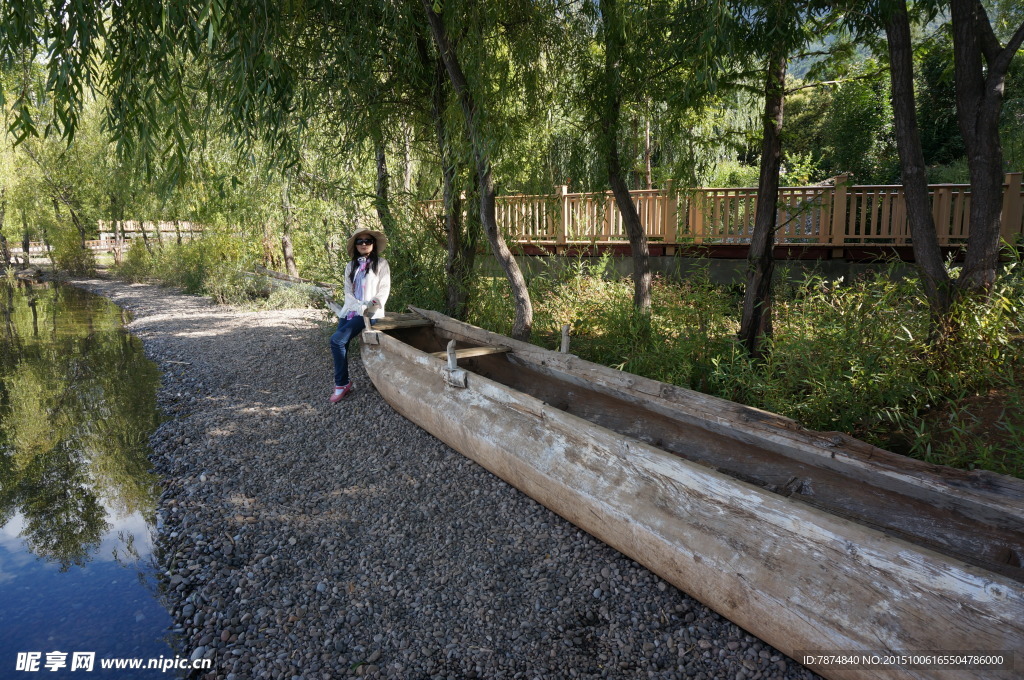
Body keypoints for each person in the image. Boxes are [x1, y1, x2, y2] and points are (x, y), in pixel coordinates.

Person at [328, 227, 390, 403]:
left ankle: (341, 384)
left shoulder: (382, 264)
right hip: (350, 310)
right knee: (341, 343)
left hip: (371, 312)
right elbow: (348, 293)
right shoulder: (350, 266)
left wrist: (368, 308)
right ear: (355, 245)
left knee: (336, 340)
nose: (364, 244)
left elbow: (383, 291)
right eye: (359, 241)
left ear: (373, 244)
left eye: (367, 241)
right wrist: (356, 307)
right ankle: (343, 382)